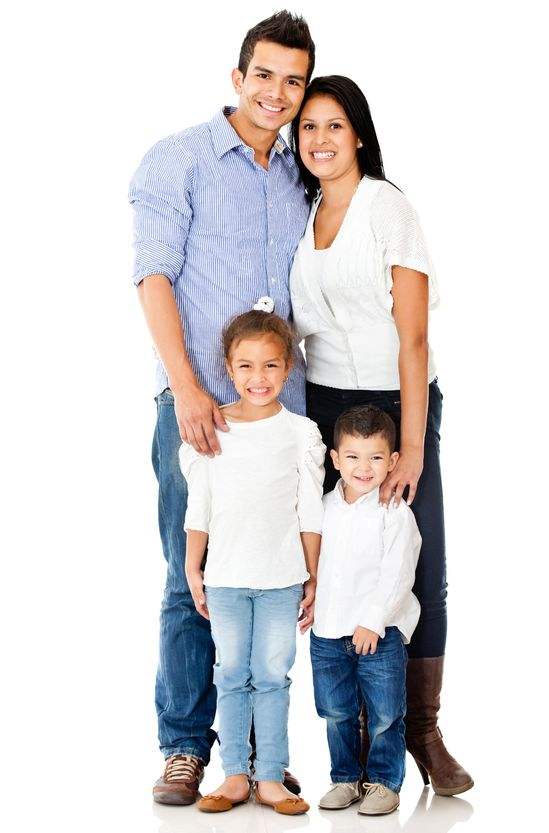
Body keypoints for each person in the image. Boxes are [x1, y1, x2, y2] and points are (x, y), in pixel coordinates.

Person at [128, 11, 315, 804]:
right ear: (238, 78)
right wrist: (187, 388)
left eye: (293, 81)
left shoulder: (304, 172)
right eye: (263, 75)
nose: (276, 93)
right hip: (200, 409)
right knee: (192, 576)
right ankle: (184, 747)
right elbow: (153, 276)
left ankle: (258, 755)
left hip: (283, 420)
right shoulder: (180, 159)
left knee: (273, 582)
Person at [289, 75, 473, 795]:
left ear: (359, 134)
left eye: (334, 126)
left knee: (417, 560)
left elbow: (413, 337)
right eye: (307, 127)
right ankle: (361, 743)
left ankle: (422, 730)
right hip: (324, 406)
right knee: (341, 562)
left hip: (397, 404)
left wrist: (413, 445)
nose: (319, 140)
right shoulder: (304, 211)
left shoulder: (386, 208)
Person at [179, 302, 325, 815]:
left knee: (271, 675)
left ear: (288, 368)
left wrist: (312, 576)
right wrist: (193, 567)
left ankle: (271, 777)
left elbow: (310, 510)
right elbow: (199, 507)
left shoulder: (300, 433)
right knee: (230, 674)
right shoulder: (213, 430)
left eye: (270, 365)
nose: (258, 377)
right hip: (225, 578)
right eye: (246, 365)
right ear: (228, 367)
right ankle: (234, 775)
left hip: (282, 578)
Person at [312, 405, 421, 815]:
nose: (364, 467)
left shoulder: (394, 512)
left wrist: (373, 620)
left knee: (385, 713)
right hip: (328, 632)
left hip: (380, 633)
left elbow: (398, 573)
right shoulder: (322, 508)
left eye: (375, 457)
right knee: (335, 711)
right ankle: (344, 778)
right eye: (353, 457)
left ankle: (383, 782)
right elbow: (311, 560)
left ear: (392, 461)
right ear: (335, 459)